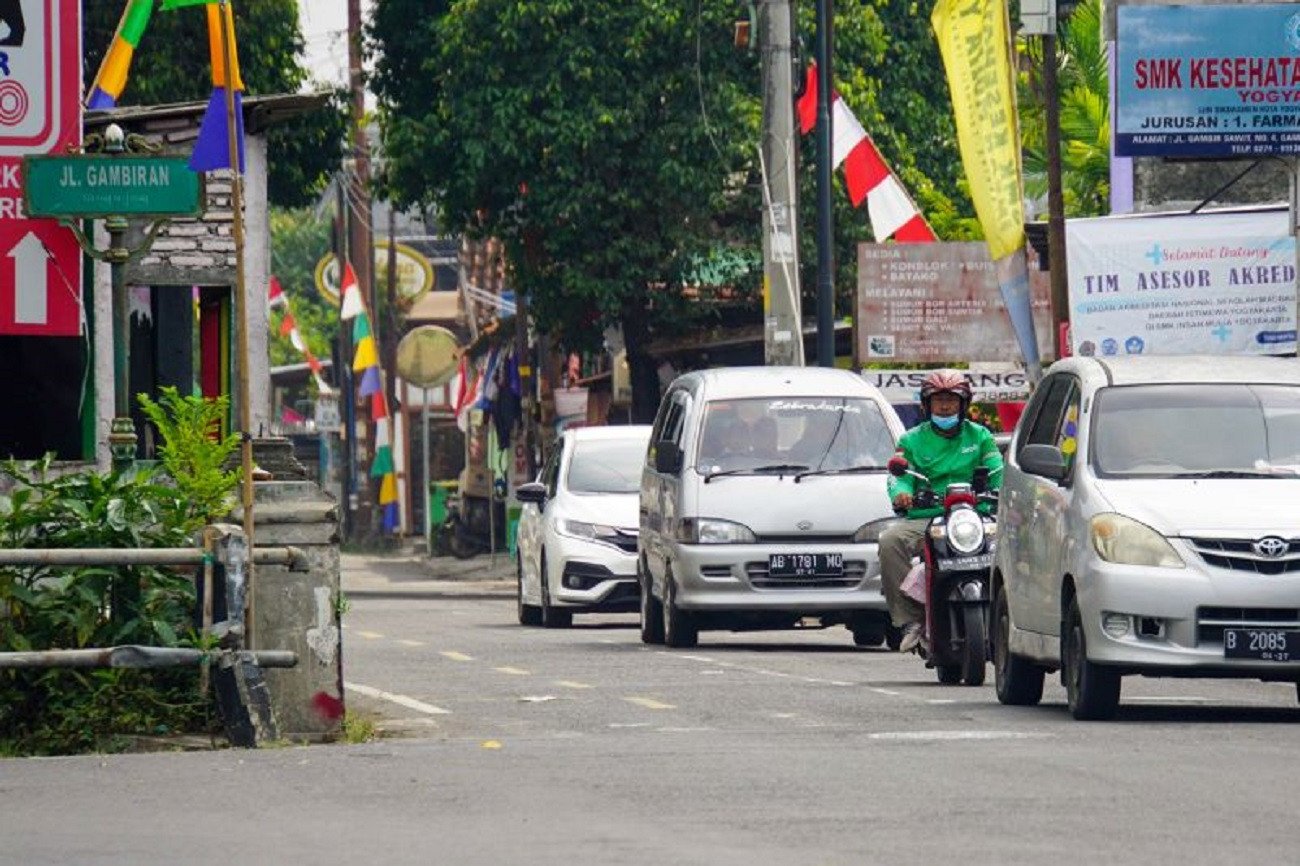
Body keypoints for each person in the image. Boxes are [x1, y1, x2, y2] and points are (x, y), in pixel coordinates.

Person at [879, 370, 1003, 653]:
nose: (945, 406)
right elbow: (899, 475)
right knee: (890, 541)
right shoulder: (911, 441)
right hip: (928, 517)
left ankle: (1006, 616)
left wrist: (1003, 490)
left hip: (975, 517)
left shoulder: (981, 436)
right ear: (926, 405)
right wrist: (901, 493)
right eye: (938, 400)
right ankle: (911, 620)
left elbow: (998, 470)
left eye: (951, 400)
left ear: (964, 404)